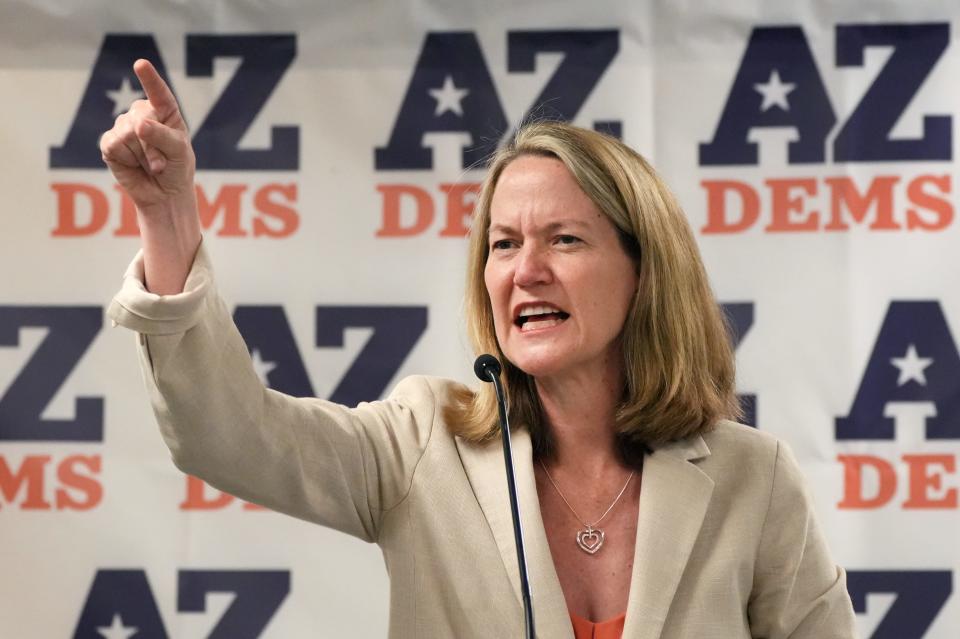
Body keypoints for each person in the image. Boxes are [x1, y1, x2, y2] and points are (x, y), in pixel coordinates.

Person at [103, 59, 858, 639]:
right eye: (503, 243)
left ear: (644, 270)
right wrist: (168, 221)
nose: (525, 269)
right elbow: (225, 434)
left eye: (565, 238)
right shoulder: (420, 442)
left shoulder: (753, 479)